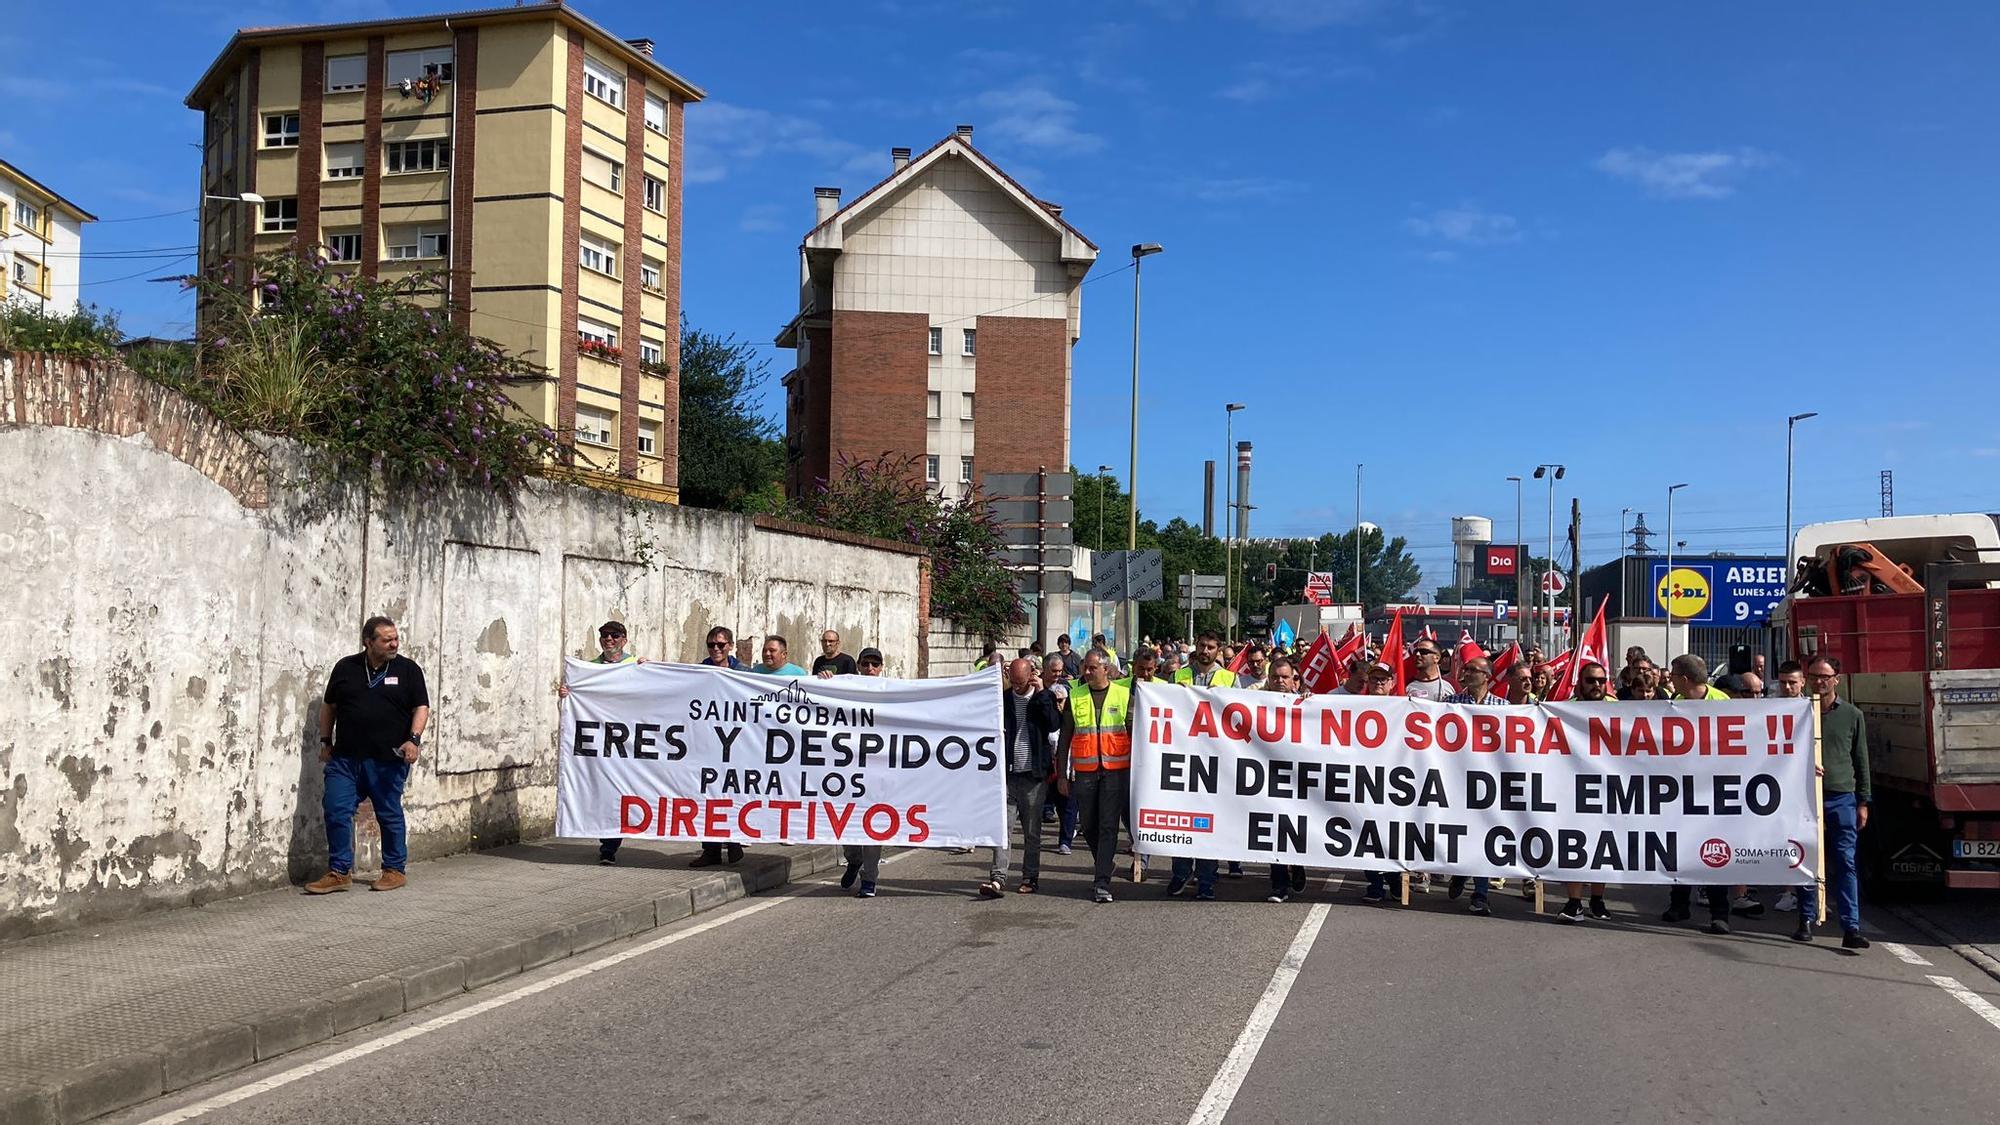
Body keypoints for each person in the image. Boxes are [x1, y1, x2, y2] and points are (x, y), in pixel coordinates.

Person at [308, 616, 429, 894]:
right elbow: (330, 706)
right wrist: (326, 741)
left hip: (387, 759)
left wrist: (413, 740)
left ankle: (394, 869)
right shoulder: (345, 668)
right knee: (336, 808)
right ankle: (339, 872)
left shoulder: (408, 670)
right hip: (346, 759)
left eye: (395, 638)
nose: (394, 644)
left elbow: (421, 707)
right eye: (386, 640)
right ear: (368, 642)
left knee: (388, 812)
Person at [558, 621, 646, 865]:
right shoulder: (589, 669)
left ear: (624, 640)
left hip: (630, 742)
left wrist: (649, 671)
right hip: (603, 742)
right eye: (605, 636)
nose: (609, 639)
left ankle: (618, 839)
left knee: (627, 792)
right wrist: (568, 693)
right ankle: (608, 846)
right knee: (607, 792)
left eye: (614, 636)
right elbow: (577, 698)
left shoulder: (635, 665)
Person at [1798, 657, 1871, 951]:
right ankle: (1805, 918)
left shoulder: (1852, 715)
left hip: (1841, 796)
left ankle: (1850, 926)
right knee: (1806, 859)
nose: (1819, 681)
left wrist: (1863, 801)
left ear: (1836, 679)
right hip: (1805, 797)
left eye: (1825, 676)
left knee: (1845, 861)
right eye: (1814, 676)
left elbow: (1861, 759)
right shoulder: (1798, 712)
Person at [977, 659, 1064, 898]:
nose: (1016, 686)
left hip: (1033, 776)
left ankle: (1029, 877)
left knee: (1032, 831)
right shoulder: (1003, 700)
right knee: (1002, 829)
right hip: (1007, 775)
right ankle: (997, 878)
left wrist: (1043, 693)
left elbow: (1054, 723)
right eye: (1013, 681)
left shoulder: (1041, 697)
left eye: (1020, 682)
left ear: (1031, 676)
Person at [1662, 653, 1733, 933]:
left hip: (1714, 791)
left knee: (1714, 852)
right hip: (1680, 791)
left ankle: (1720, 912)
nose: (1669, 679)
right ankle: (1678, 905)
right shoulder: (1673, 704)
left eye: (1673, 674)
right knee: (1678, 850)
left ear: (1685, 679)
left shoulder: (1722, 702)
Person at [1055, 652, 1134, 903]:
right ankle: (1105, 862)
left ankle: (1101, 882)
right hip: (1085, 771)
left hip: (1116, 771)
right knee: (1088, 825)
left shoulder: (1123, 695)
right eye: (1084, 668)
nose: (1086, 673)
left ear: (1106, 669)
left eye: (1091, 668)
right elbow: (1065, 737)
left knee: (1109, 825)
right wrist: (1061, 775)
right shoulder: (1075, 696)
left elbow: (1135, 734)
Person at [1443, 658, 1511, 915]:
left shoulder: (1503, 707)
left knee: (1485, 833)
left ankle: (1481, 893)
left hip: (1487, 781)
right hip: (1458, 779)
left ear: (1486, 676)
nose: (1467, 673)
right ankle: (1461, 871)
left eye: (1473, 671)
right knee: (1461, 833)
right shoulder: (1452, 704)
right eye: (1466, 670)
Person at [1558, 660, 1615, 921]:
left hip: (1609, 789)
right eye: (1591, 680)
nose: (1596, 685)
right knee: (1575, 845)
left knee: (1604, 846)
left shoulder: (1620, 710)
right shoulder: (1565, 710)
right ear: (1580, 683)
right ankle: (1573, 902)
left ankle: (1598, 900)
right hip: (1573, 788)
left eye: (1601, 681)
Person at [841, 652, 891, 896]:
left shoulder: (892, 692)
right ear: (859, 667)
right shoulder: (846, 688)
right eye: (865, 664)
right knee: (845, 823)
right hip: (848, 770)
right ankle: (853, 859)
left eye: (875, 664)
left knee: (873, 825)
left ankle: (869, 879)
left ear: (881, 667)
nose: (870, 668)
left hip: (878, 771)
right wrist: (824, 681)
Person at [1264, 657, 1311, 903]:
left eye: (1284, 677)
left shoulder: (1309, 703)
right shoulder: (1255, 703)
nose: (1279, 681)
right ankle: (1279, 884)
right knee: (1274, 831)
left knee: (1296, 830)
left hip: (1299, 779)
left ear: (1295, 680)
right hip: (1270, 778)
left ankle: (1299, 866)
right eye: (1275, 677)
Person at [1174, 631, 1238, 687]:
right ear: (1196, 646)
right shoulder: (1176, 676)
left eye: (1210, 647)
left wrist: (1221, 694)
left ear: (1218, 651)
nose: (1205, 651)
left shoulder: (1231, 679)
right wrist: (1176, 691)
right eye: (1202, 645)